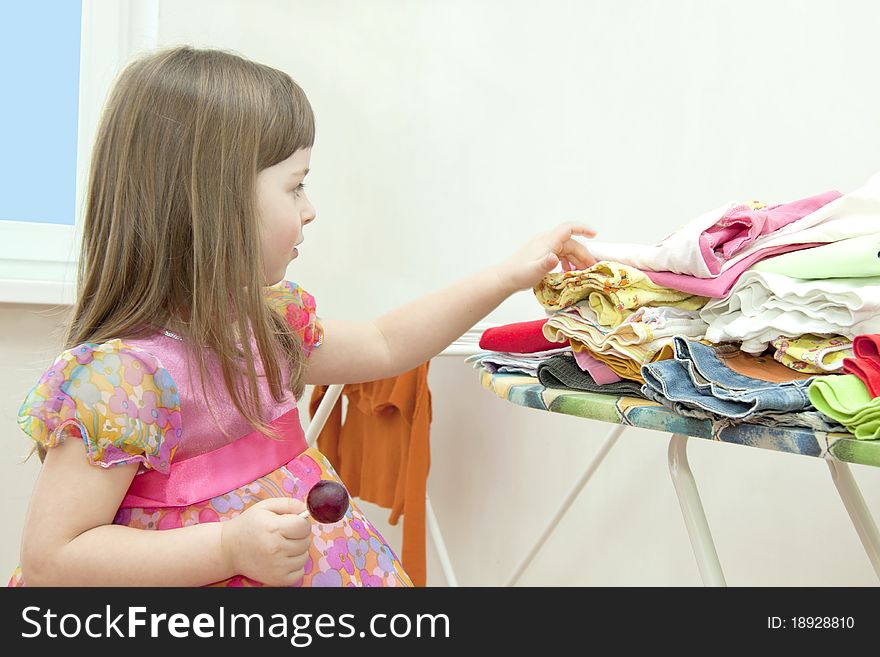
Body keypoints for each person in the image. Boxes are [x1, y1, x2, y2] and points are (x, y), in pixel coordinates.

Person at [8, 46, 596, 587]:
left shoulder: (265, 327)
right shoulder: (122, 381)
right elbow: (51, 559)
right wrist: (227, 548)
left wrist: (505, 277)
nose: (310, 211)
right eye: (296, 187)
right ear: (215, 205)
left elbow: (385, 344)